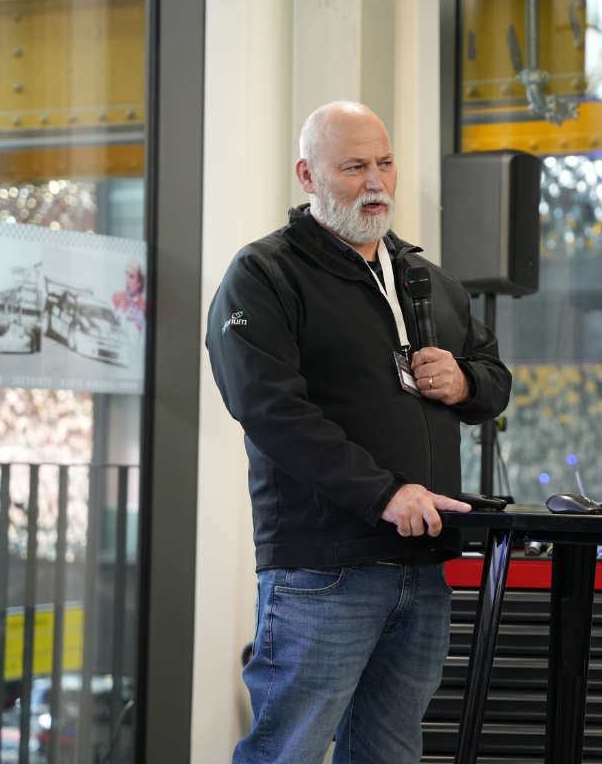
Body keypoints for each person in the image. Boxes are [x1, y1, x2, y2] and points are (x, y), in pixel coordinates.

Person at [206, 101, 512, 764]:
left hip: (422, 568)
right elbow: (269, 410)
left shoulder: (427, 281)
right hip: (323, 569)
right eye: (353, 168)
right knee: (287, 752)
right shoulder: (264, 275)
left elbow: (495, 380)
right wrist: (385, 494)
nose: (376, 182)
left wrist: (464, 382)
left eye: (385, 163)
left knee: (390, 754)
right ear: (308, 176)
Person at [112, 261, 146, 334]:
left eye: (131, 277)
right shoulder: (116, 297)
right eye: (126, 275)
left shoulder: (144, 305)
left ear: (139, 283)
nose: (127, 280)